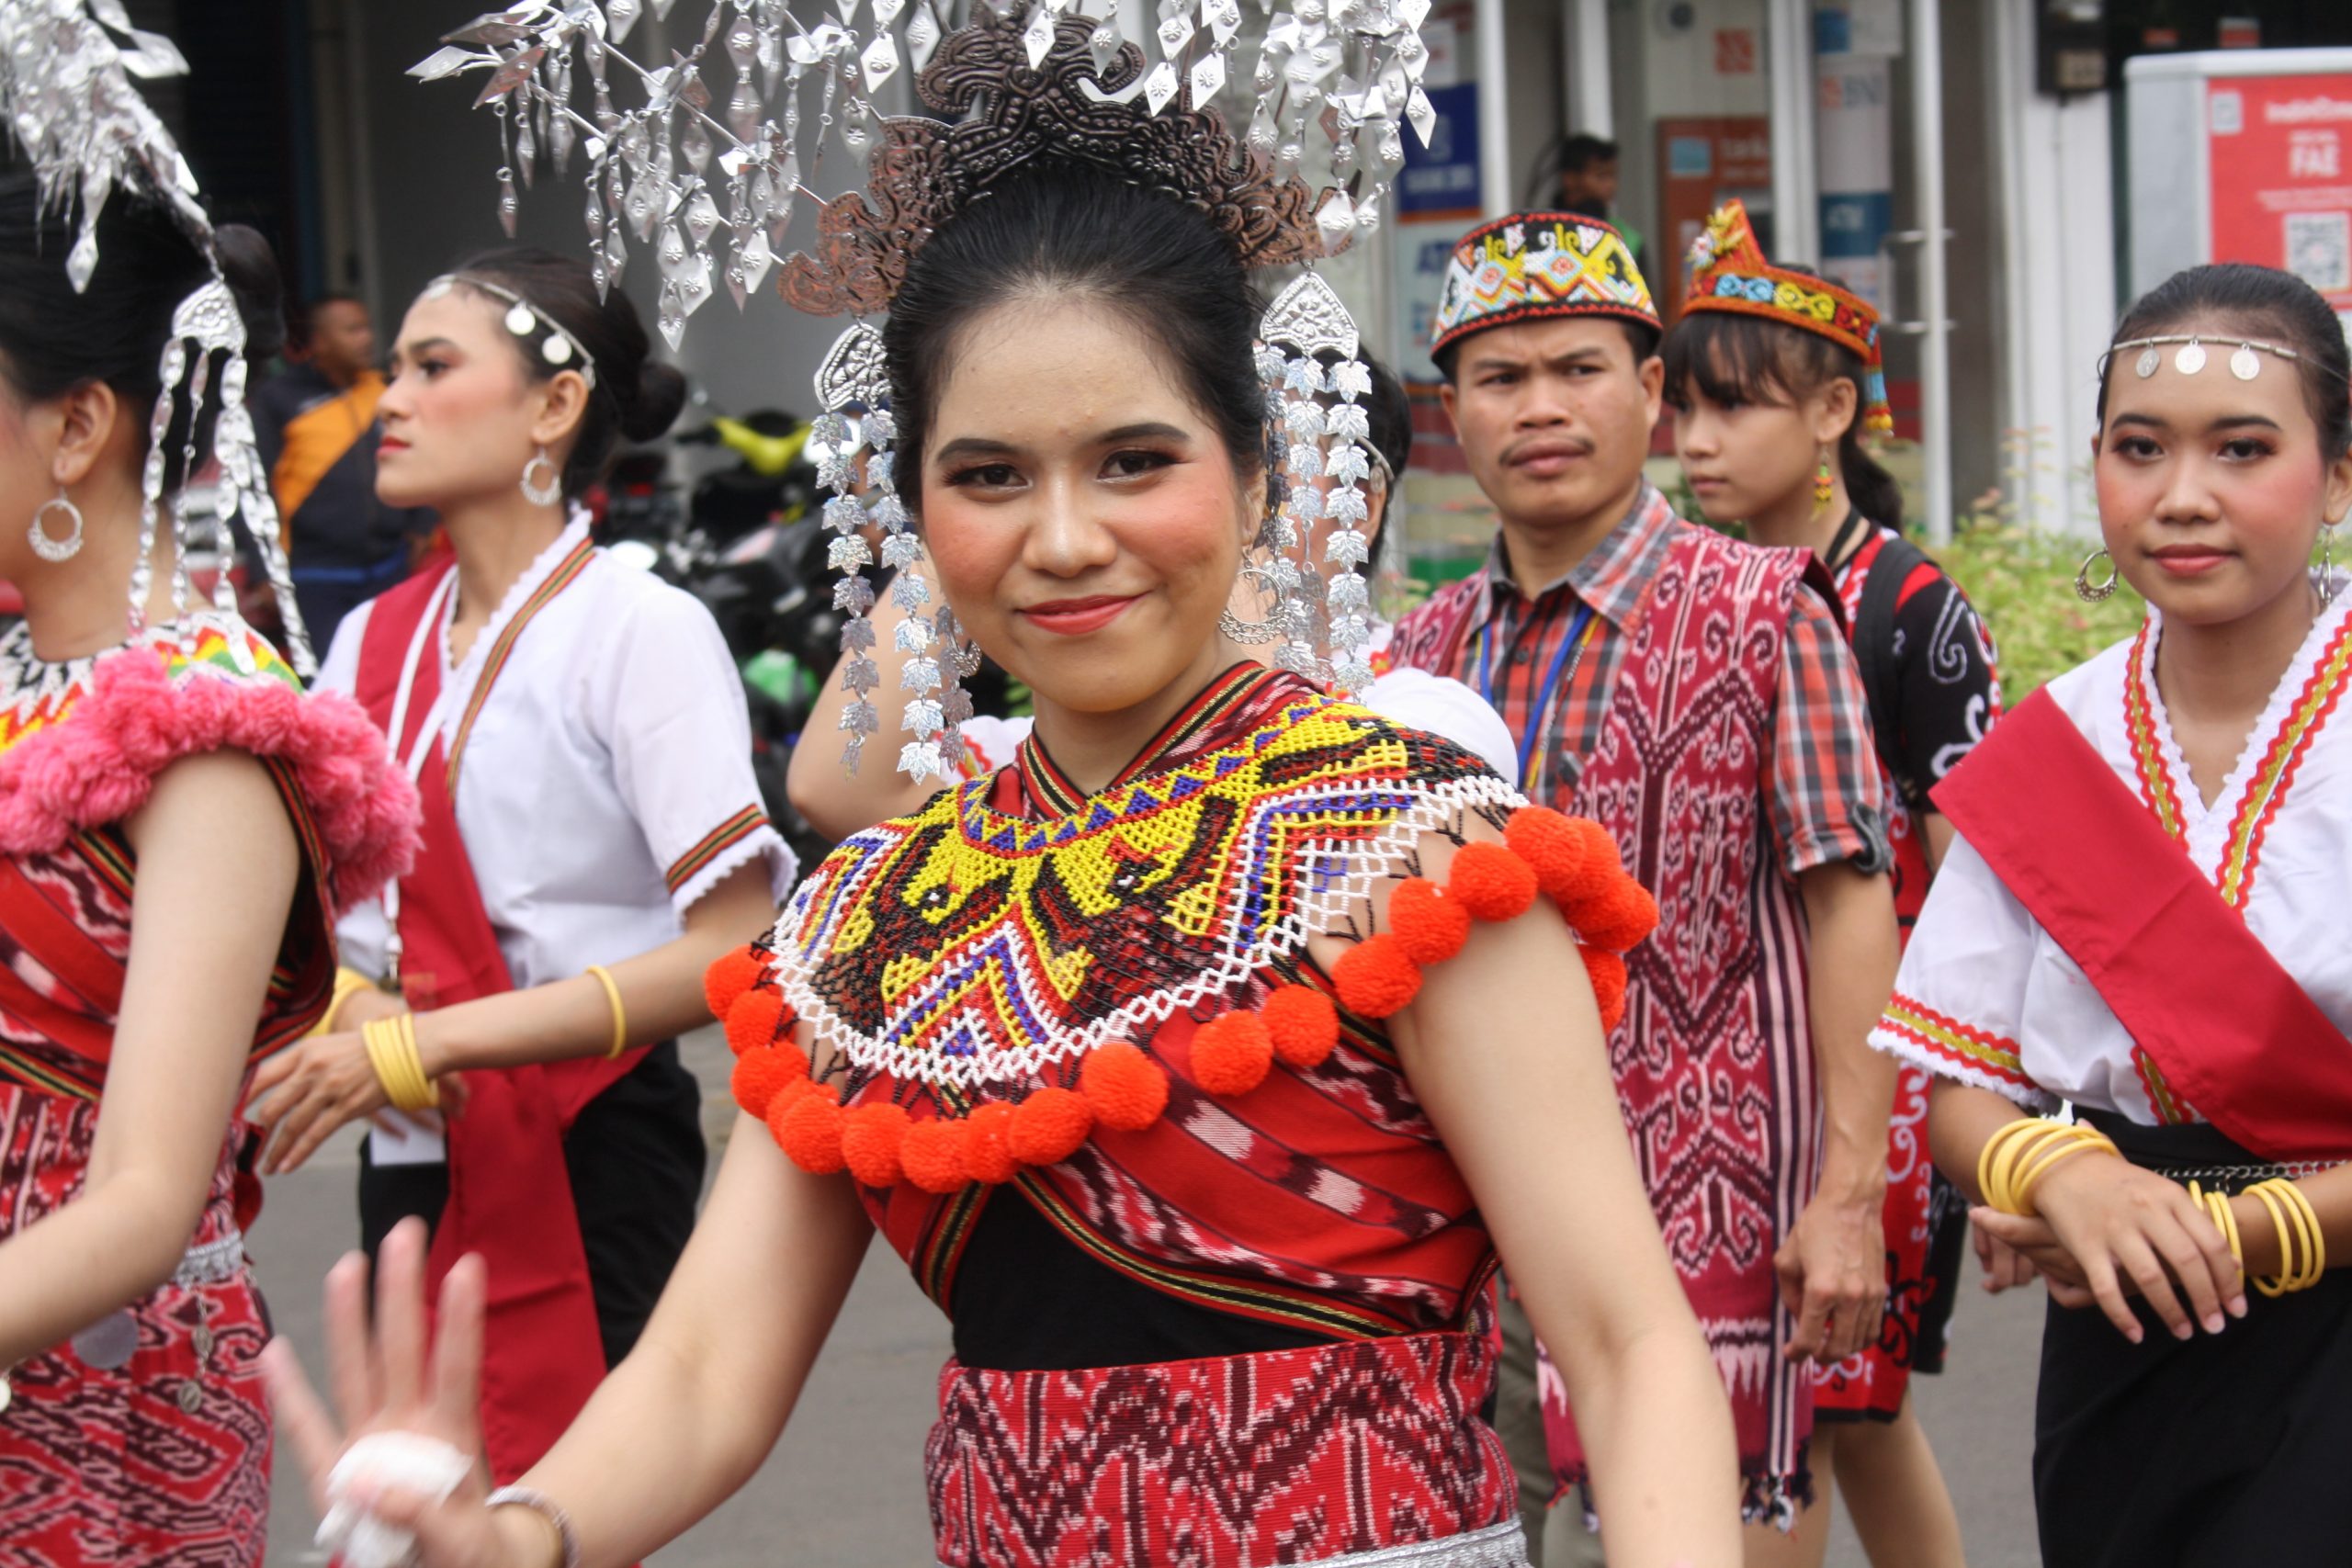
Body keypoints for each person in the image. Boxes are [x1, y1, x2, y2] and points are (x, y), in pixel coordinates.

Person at [263, 12, 1749, 1568]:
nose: (1059, 539)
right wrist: (513, 1537)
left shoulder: (1407, 852)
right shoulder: (864, 927)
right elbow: (704, 1374)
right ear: (909, 513)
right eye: (988, 476)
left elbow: (1629, 1343)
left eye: (1131, 460)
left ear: (1256, 478)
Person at [1389, 211, 1901, 1564]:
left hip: (1709, 1205)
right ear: (1455, 412)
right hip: (1470, 1225)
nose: (1542, 407)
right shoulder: (1415, 654)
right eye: (1501, 378)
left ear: (1653, 390)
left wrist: (1851, 1194)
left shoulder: (1766, 608)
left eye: (1580, 367)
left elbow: (1854, 897)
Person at [242, 247, 795, 1485]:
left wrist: (435, 1038)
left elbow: (737, 947)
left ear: (554, 403)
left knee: (553, 1505)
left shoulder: (643, 629)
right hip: (407, 1134)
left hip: (589, 1131)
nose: (391, 399)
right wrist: (350, 1001)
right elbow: (317, 908)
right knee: (418, 1493)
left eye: (433, 367)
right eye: (392, 369)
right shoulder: (367, 640)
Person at [0, 15, 417, 1562]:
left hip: (87, 1392)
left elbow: (145, 1200)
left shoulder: (213, 741)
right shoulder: (18, 682)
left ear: (80, 424)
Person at [1871, 263, 2352, 1567]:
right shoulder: (2057, 742)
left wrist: (2244, 1226)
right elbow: (1958, 1073)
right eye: (2141, 448)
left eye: (2242, 448)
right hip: (2126, 1328)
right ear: (2097, 467)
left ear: (2340, 475)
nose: (2183, 494)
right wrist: (2060, 1172)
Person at [1664, 198, 1993, 1568]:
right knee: (1842, 1413)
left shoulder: (1909, 608)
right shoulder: (1697, 589)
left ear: (1836, 411)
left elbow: (1973, 864)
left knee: (1811, 1400)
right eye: (1680, 410)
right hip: (1722, 1052)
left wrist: (1989, 1083)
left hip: (1879, 1060)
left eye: (1732, 409)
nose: (1695, 443)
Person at [786, 348, 1519, 837]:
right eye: (1133, 463)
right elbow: (841, 788)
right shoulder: (1035, 757)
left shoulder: (1422, 721)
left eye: (1266, 461)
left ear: (1363, 505)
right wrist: (976, 495)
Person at [254, 293, 435, 649]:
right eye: (352, 330)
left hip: (389, 567)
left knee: (391, 671)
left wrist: (421, 523)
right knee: (329, 682)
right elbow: (253, 485)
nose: (366, 338)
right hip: (314, 575)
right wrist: (264, 571)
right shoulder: (279, 399)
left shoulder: (387, 391)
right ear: (320, 342)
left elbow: (423, 453)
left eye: (366, 328)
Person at [1537, 135, 1644, 269]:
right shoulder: (1540, 231)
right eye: (1601, 175)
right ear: (1570, 178)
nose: (1611, 185)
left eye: (1613, 176)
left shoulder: (1627, 239)